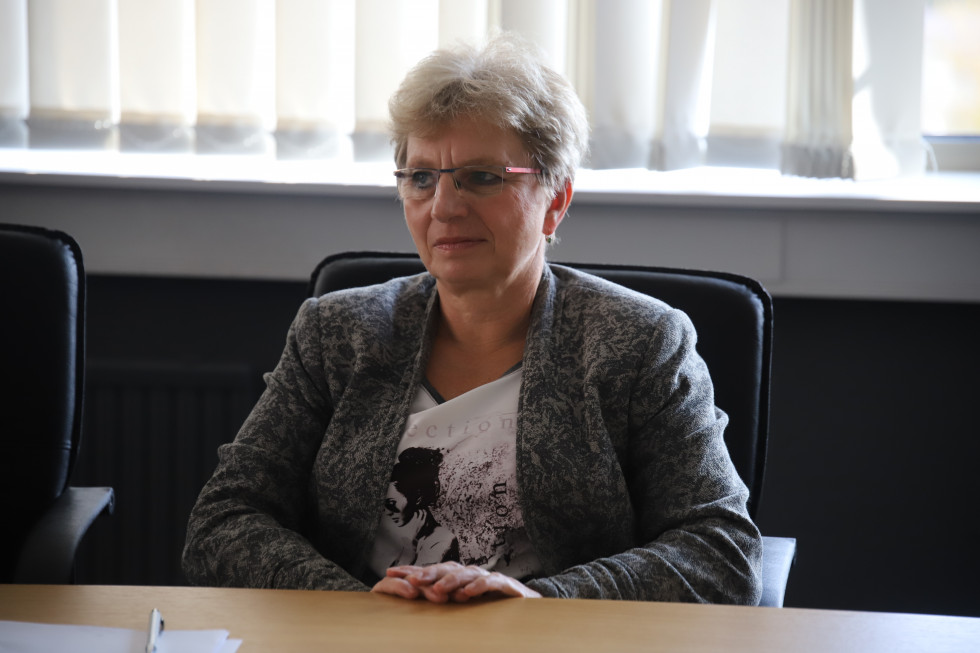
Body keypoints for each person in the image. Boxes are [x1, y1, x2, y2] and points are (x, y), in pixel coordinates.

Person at [182, 33, 762, 605]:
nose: (444, 207)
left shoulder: (640, 344)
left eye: (482, 177)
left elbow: (719, 553)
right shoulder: (337, 334)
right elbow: (224, 520)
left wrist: (541, 604)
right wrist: (357, 605)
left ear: (555, 199)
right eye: (421, 177)